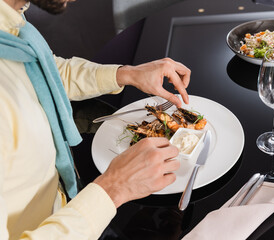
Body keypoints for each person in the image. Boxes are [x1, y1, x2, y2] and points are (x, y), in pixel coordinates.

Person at [0, 0, 191, 239]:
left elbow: (42, 69)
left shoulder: (9, 21)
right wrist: (114, 188)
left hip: (71, 206)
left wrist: (126, 74)